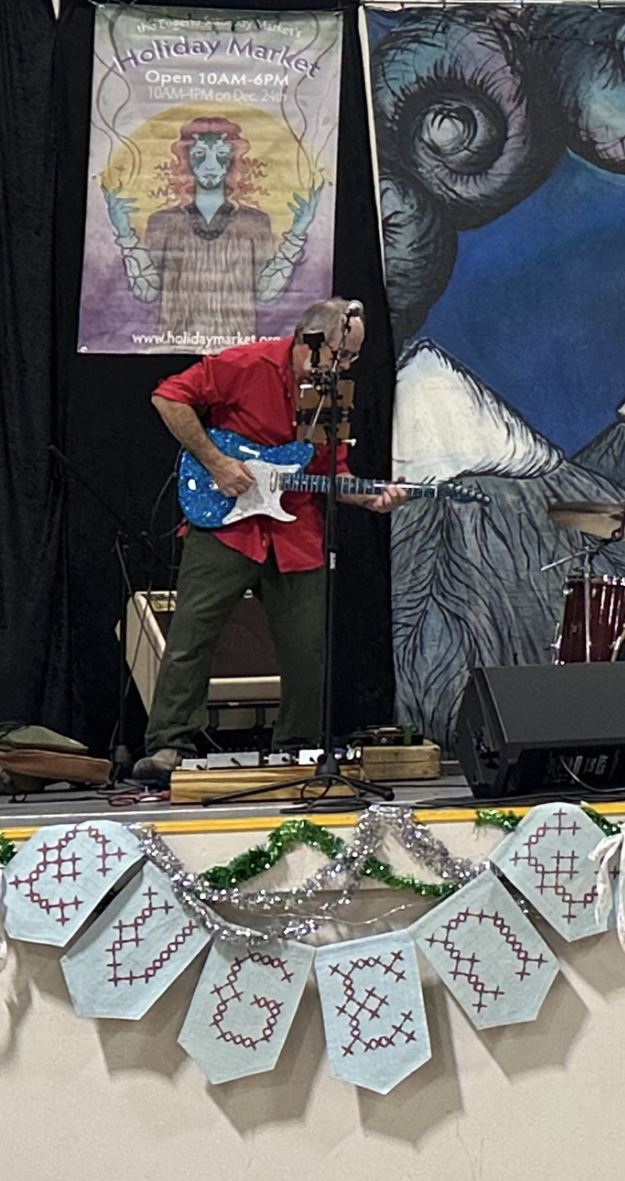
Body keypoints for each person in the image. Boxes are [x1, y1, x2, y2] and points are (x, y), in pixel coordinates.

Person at [132, 297, 402, 783]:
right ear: (307, 342)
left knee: (307, 647)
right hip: (226, 523)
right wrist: (216, 461)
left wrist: (367, 497)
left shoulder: (332, 393)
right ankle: (169, 744)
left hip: (295, 528)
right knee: (192, 635)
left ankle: (296, 748)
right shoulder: (246, 363)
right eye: (339, 357)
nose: (345, 368)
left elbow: (328, 470)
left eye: (353, 359)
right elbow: (168, 397)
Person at [103, 116, 322, 348]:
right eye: (199, 156)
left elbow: (266, 293)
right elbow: (147, 291)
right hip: (175, 347)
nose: (210, 166)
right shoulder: (164, 221)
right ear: (186, 160)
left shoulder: (255, 222)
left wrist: (297, 233)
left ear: (232, 161)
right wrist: (125, 232)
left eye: (220, 156)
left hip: (236, 353)